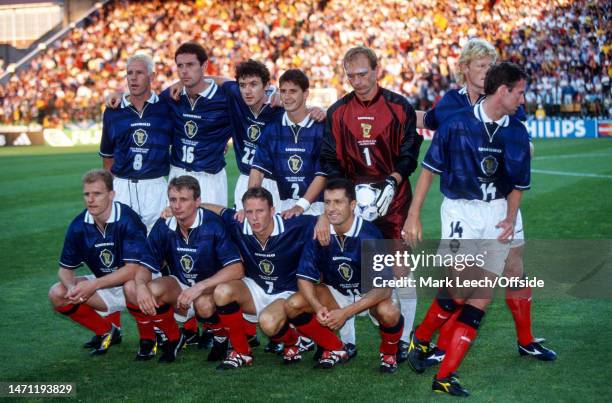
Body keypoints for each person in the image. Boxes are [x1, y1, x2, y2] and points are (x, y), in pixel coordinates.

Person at [402, 62, 549, 396]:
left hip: (497, 212)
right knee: (460, 290)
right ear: (503, 91)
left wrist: (511, 219)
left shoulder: (517, 131)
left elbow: (518, 184)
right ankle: (422, 340)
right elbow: (428, 172)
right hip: (461, 211)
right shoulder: (456, 125)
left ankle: (443, 376)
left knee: (481, 295)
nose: (523, 99)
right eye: (520, 92)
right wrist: (414, 215)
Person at [319, 46, 423, 359]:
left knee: (400, 268)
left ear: (376, 70)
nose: (357, 80)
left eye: (363, 73)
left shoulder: (399, 106)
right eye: (351, 75)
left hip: (393, 200)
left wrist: (391, 181)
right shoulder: (337, 111)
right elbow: (329, 158)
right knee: (340, 267)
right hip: (352, 203)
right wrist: (349, 194)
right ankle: (345, 341)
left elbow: (409, 154)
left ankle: (404, 338)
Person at [285, 178, 404, 373]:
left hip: (369, 293)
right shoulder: (319, 231)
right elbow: (304, 278)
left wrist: (346, 313)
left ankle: (389, 352)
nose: (331, 208)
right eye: (328, 202)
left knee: (389, 311)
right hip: (337, 292)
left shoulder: (370, 234)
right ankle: (336, 348)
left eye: (338, 202)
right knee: (293, 305)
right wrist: (318, 307)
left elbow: (384, 288)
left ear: (353, 205)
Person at [200, 187, 317, 369]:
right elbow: (219, 210)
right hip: (255, 288)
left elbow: (331, 220)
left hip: (286, 293)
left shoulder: (294, 225)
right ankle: (241, 352)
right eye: (249, 212)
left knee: (268, 323)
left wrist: (324, 218)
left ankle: (294, 341)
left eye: (260, 211)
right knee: (222, 292)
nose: (254, 218)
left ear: (272, 211)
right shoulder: (240, 224)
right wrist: (193, 205)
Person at [135, 175, 244, 363]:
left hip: (210, 287)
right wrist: (140, 285)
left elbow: (236, 268)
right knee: (150, 290)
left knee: (203, 304)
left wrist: (200, 287)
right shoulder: (164, 225)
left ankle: (220, 337)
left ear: (197, 202)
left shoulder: (213, 225)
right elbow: (147, 263)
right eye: (173, 200)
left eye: (183, 200)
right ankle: (175, 337)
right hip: (181, 285)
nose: (177, 206)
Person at [48, 169, 150, 357]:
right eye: (87, 194)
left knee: (130, 285)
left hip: (138, 284)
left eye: (97, 194)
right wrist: (71, 287)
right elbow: (64, 270)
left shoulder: (127, 219)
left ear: (111, 195)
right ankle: (106, 330)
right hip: (104, 286)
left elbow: (132, 270)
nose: (91, 199)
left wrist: (93, 284)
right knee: (57, 292)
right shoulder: (78, 225)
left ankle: (148, 340)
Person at [99, 53, 173, 230]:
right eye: (129, 73)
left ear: (152, 77)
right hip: (122, 187)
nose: (133, 78)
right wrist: (110, 190)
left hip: (156, 187)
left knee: (158, 248)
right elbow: (107, 158)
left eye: (139, 73)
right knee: (122, 248)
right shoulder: (113, 111)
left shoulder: (167, 107)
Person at [249, 68, 326, 217]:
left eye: (293, 91)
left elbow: (322, 175)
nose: (287, 96)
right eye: (283, 91)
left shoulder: (321, 128)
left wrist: (300, 206)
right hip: (284, 206)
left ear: (305, 94)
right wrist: (250, 203)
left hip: (317, 207)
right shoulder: (272, 128)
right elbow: (257, 170)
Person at [163, 42, 232, 206]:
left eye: (190, 65)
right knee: (174, 231)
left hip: (209, 178)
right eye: (180, 66)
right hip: (177, 175)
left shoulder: (225, 98)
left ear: (204, 65)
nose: (184, 71)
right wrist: (120, 95)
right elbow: (144, 100)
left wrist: (207, 78)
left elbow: (248, 86)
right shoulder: (172, 95)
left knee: (212, 230)